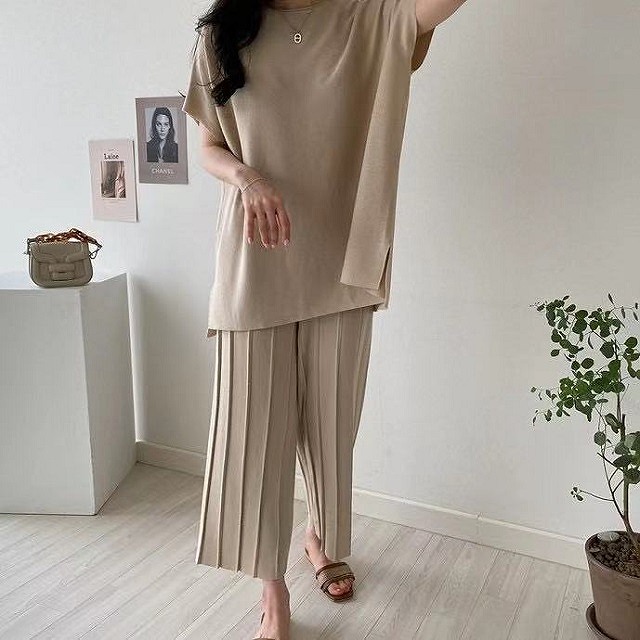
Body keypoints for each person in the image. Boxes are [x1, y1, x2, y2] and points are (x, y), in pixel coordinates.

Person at [182, 0, 466, 637]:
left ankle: (320, 538)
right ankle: (272, 588)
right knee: (252, 435)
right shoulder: (222, 32)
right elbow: (208, 146)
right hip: (255, 256)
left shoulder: (366, 17)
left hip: (341, 260)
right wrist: (247, 178)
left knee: (332, 427)